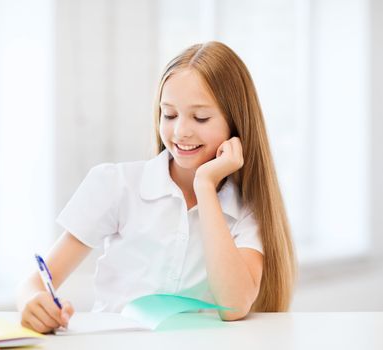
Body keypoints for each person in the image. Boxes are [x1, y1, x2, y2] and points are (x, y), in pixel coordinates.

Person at [16, 41, 297, 334]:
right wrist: (32, 301)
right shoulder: (117, 185)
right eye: (169, 114)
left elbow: (235, 304)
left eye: (200, 117)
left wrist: (205, 186)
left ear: (235, 124)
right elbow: (34, 282)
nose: (180, 131)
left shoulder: (247, 210)